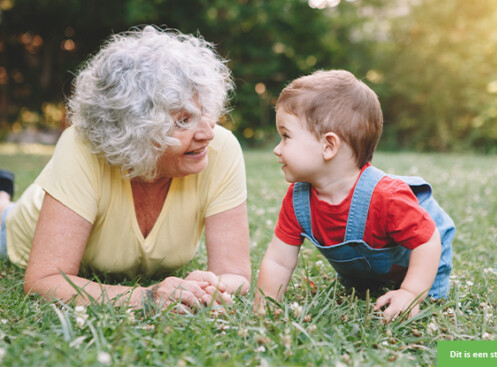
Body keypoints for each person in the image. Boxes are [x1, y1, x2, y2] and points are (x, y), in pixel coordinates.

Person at [0, 25, 251, 312]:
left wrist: (210, 287)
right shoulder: (82, 146)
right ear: (133, 130)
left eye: (204, 111)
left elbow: (236, 275)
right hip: (14, 232)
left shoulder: (220, 148)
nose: (207, 132)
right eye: (183, 120)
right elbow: (44, 281)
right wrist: (146, 297)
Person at [254, 70, 454, 322]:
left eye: (286, 136)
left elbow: (426, 240)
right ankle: (368, 282)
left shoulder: (387, 197)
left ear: (328, 146)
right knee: (360, 293)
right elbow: (278, 260)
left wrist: (410, 292)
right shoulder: (298, 200)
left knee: (422, 303)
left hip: (424, 260)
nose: (276, 149)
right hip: (366, 273)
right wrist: (265, 307)